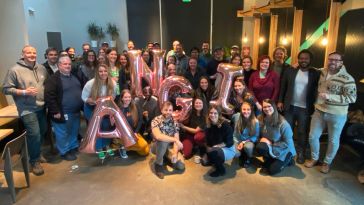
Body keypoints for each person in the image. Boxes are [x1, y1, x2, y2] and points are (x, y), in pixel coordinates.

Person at [305, 52, 357, 173]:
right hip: (319, 111)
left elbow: (352, 98)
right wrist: (298, 65)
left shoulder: (347, 78)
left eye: (335, 60)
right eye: (330, 59)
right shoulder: (323, 72)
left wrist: (330, 96)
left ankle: (326, 162)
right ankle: (314, 158)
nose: (332, 62)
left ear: (341, 63)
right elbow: (314, 69)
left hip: (337, 114)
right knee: (313, 136)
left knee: (333, 140)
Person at [2, 45, 48, 176]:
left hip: (41, 106)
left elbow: (46, 85)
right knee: (34, 134)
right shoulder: (14, 70)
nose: (32, 55)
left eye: (34, 52)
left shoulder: (42, 68)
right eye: (28, 53)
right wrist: (23, 92)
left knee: (43, 130)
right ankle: (33, 161)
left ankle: (37, 153)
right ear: (23, 55)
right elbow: (5, 89)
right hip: (27, 109)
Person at [277, 49, 320, 164]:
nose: (303, 60)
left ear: (310, 60)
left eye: (306, 58)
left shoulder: (315, 73)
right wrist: (280, 100)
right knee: (287, 130)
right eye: (301, 58)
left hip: (305, 108)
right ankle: (287, 150)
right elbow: (283, 86)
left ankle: (301, 152)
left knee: (302, 131)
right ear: (298, 59)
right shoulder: (290, 71)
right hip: (289, 106)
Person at [45, 56, 83, 161]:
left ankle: (73, 147)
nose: (67, 66)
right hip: (62, 112)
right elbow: (49, 96)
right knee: (62, 133)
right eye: (65, 64)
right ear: (59, 65)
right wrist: (55, 111)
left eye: (69, 64)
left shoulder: (73, 76)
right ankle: (64, 151)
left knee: (74, 130)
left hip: (75, 111)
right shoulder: (53, 79)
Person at [81, 64, 117, 159]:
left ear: (108, 72)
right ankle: (99, 148)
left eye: (105, 71)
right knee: (97, 128)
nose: (103, 73)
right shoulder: (90, 83)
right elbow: (84, 97)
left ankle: (107, 146)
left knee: (106, 126)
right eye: (100, 71)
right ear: (97, 73)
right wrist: (94, 101)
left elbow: (113, 96)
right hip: (91, 108)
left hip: (105, 108)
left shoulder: (112, 83)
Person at [255, 99, 296, 175]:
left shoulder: (283, 123)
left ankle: (289, 160)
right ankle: (272, 159)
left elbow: (288, 143)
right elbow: (256, 134)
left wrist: (271, 143)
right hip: (272, 148)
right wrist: (260, 139)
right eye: (264, 107)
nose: (267, 109)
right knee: (260, 147)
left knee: (272, 170)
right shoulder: (260, 118)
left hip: (284, 150)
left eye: (269, 106)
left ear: (274, 106)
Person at [151, 101, 185, 179]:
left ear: (172, 111)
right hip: (157, 146)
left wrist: (175, 153)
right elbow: (158, 136)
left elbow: (177, 137)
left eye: (170, 110)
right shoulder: (156, 120)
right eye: (166, 110)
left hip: (169, 147)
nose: (168, 112)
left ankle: (166, 157)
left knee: (181, 166)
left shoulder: (174, 121)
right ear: (162, 110)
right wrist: (175, 140)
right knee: (163, 140)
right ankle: (158, 164)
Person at [111, 89, 149, 157]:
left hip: (133, 133)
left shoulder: (135, 106)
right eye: (125, 97)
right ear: (122, 98)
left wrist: (136, 132)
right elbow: (113, 125)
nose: (127, 99)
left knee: (145, 151)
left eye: (129, 97)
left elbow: (140, 120)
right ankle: (122, 147)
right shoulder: (118, 109)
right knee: (143, 145)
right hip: (122, 135)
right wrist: (112, 122)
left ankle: (125, 147)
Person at [204, 105, 235, 177]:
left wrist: (216, 147)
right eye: (211, 113)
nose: (212, 115)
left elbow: (229, 142)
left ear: (219, 114)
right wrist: (207, 153)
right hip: (216, 148)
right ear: (208, 114)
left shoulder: (225, 125)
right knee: (204, 162)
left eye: (215, 113)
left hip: (228, 148)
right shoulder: (208, 126)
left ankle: (221, 170)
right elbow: (208, 142)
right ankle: (215, 161)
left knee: (213, 153)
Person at [234, 102, 260, 168]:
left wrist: (243, 142)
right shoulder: (236, 116)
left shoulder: (255, 121)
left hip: (248, 141)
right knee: (236, 154)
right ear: (241, 110)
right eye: (244, 109)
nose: (246, 111)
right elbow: (234, 134)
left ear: (251, 110)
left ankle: (249, 157)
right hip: (237, 139)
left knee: (248, 147)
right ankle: (242, 154)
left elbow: (256, 137)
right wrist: (237, 142)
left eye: (248, 109)